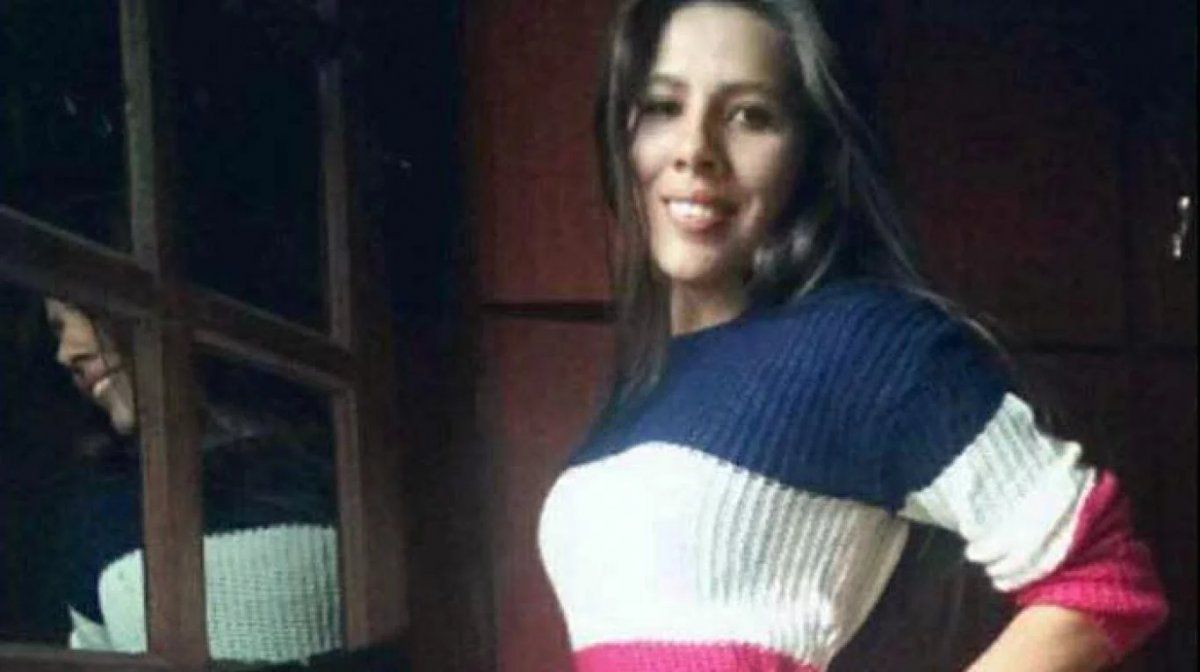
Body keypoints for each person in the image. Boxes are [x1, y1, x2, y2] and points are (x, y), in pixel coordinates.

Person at [535, 1, 1169, 671]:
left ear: (809, 153)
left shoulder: (864, 346)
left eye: (751, 115)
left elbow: (1104, 577)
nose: (695, 151)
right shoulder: (642, 387)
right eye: (664, 106)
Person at [43, 298, 343, 664]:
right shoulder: (99, 511)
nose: (66, 353)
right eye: (58, 329)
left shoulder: (339, 464)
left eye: (86, 311)